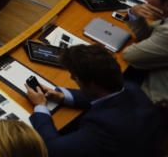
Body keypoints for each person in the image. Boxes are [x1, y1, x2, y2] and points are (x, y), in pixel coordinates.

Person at [25, 44, 161, 156]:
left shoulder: (102, 127)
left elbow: (53, 149)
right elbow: (104, 97)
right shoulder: (131, 87)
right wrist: (62, 96)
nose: (72, 79)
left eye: (75, 77)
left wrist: (40, 107)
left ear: (92, 84)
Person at [121, 0, 168, 104]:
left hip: (152, 96)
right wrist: (134, 13)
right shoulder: (165, 16)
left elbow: (130, 55)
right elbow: (148, 36)